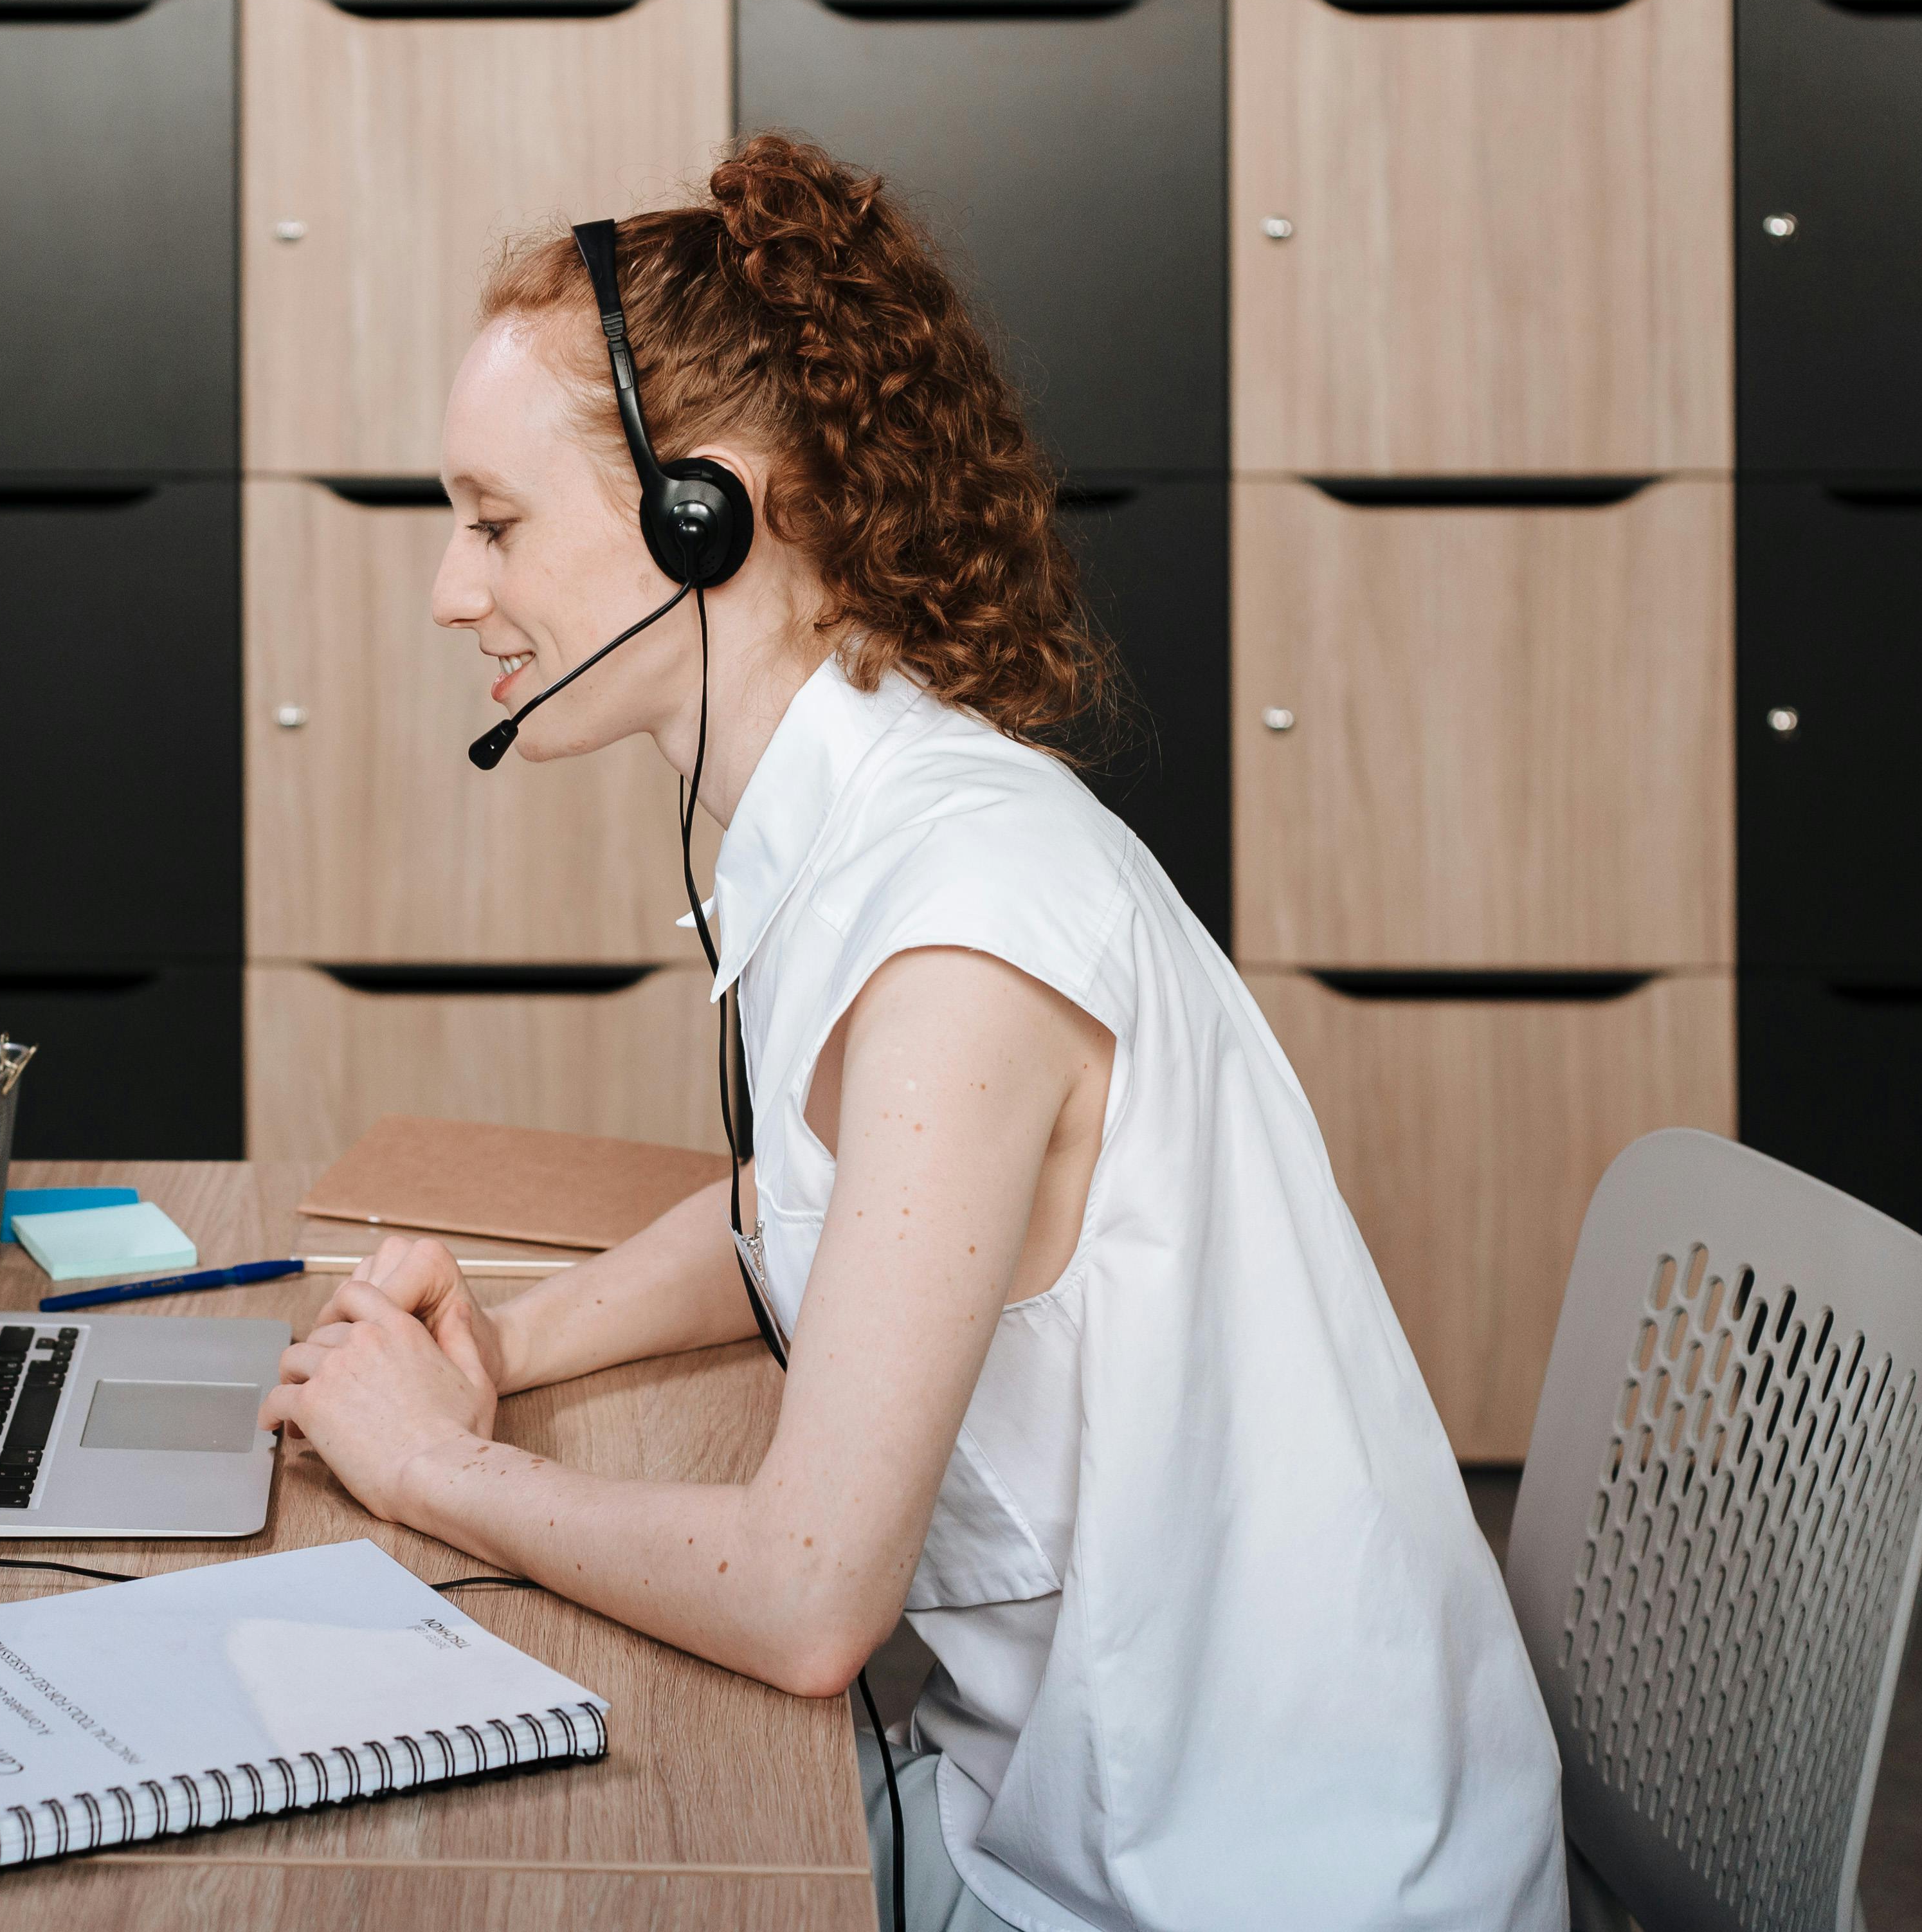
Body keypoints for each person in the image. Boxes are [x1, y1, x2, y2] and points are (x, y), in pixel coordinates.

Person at [254, 134, 1566, 1932]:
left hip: (1252, 1887)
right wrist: (512, 1335)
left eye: (491, 520)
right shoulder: (866, 817)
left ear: (700, 512)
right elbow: (791, 1206)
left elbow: (805, 1599)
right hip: (1060, 1795)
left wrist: (430, 1466)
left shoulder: (959, 921)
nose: (446, 591)